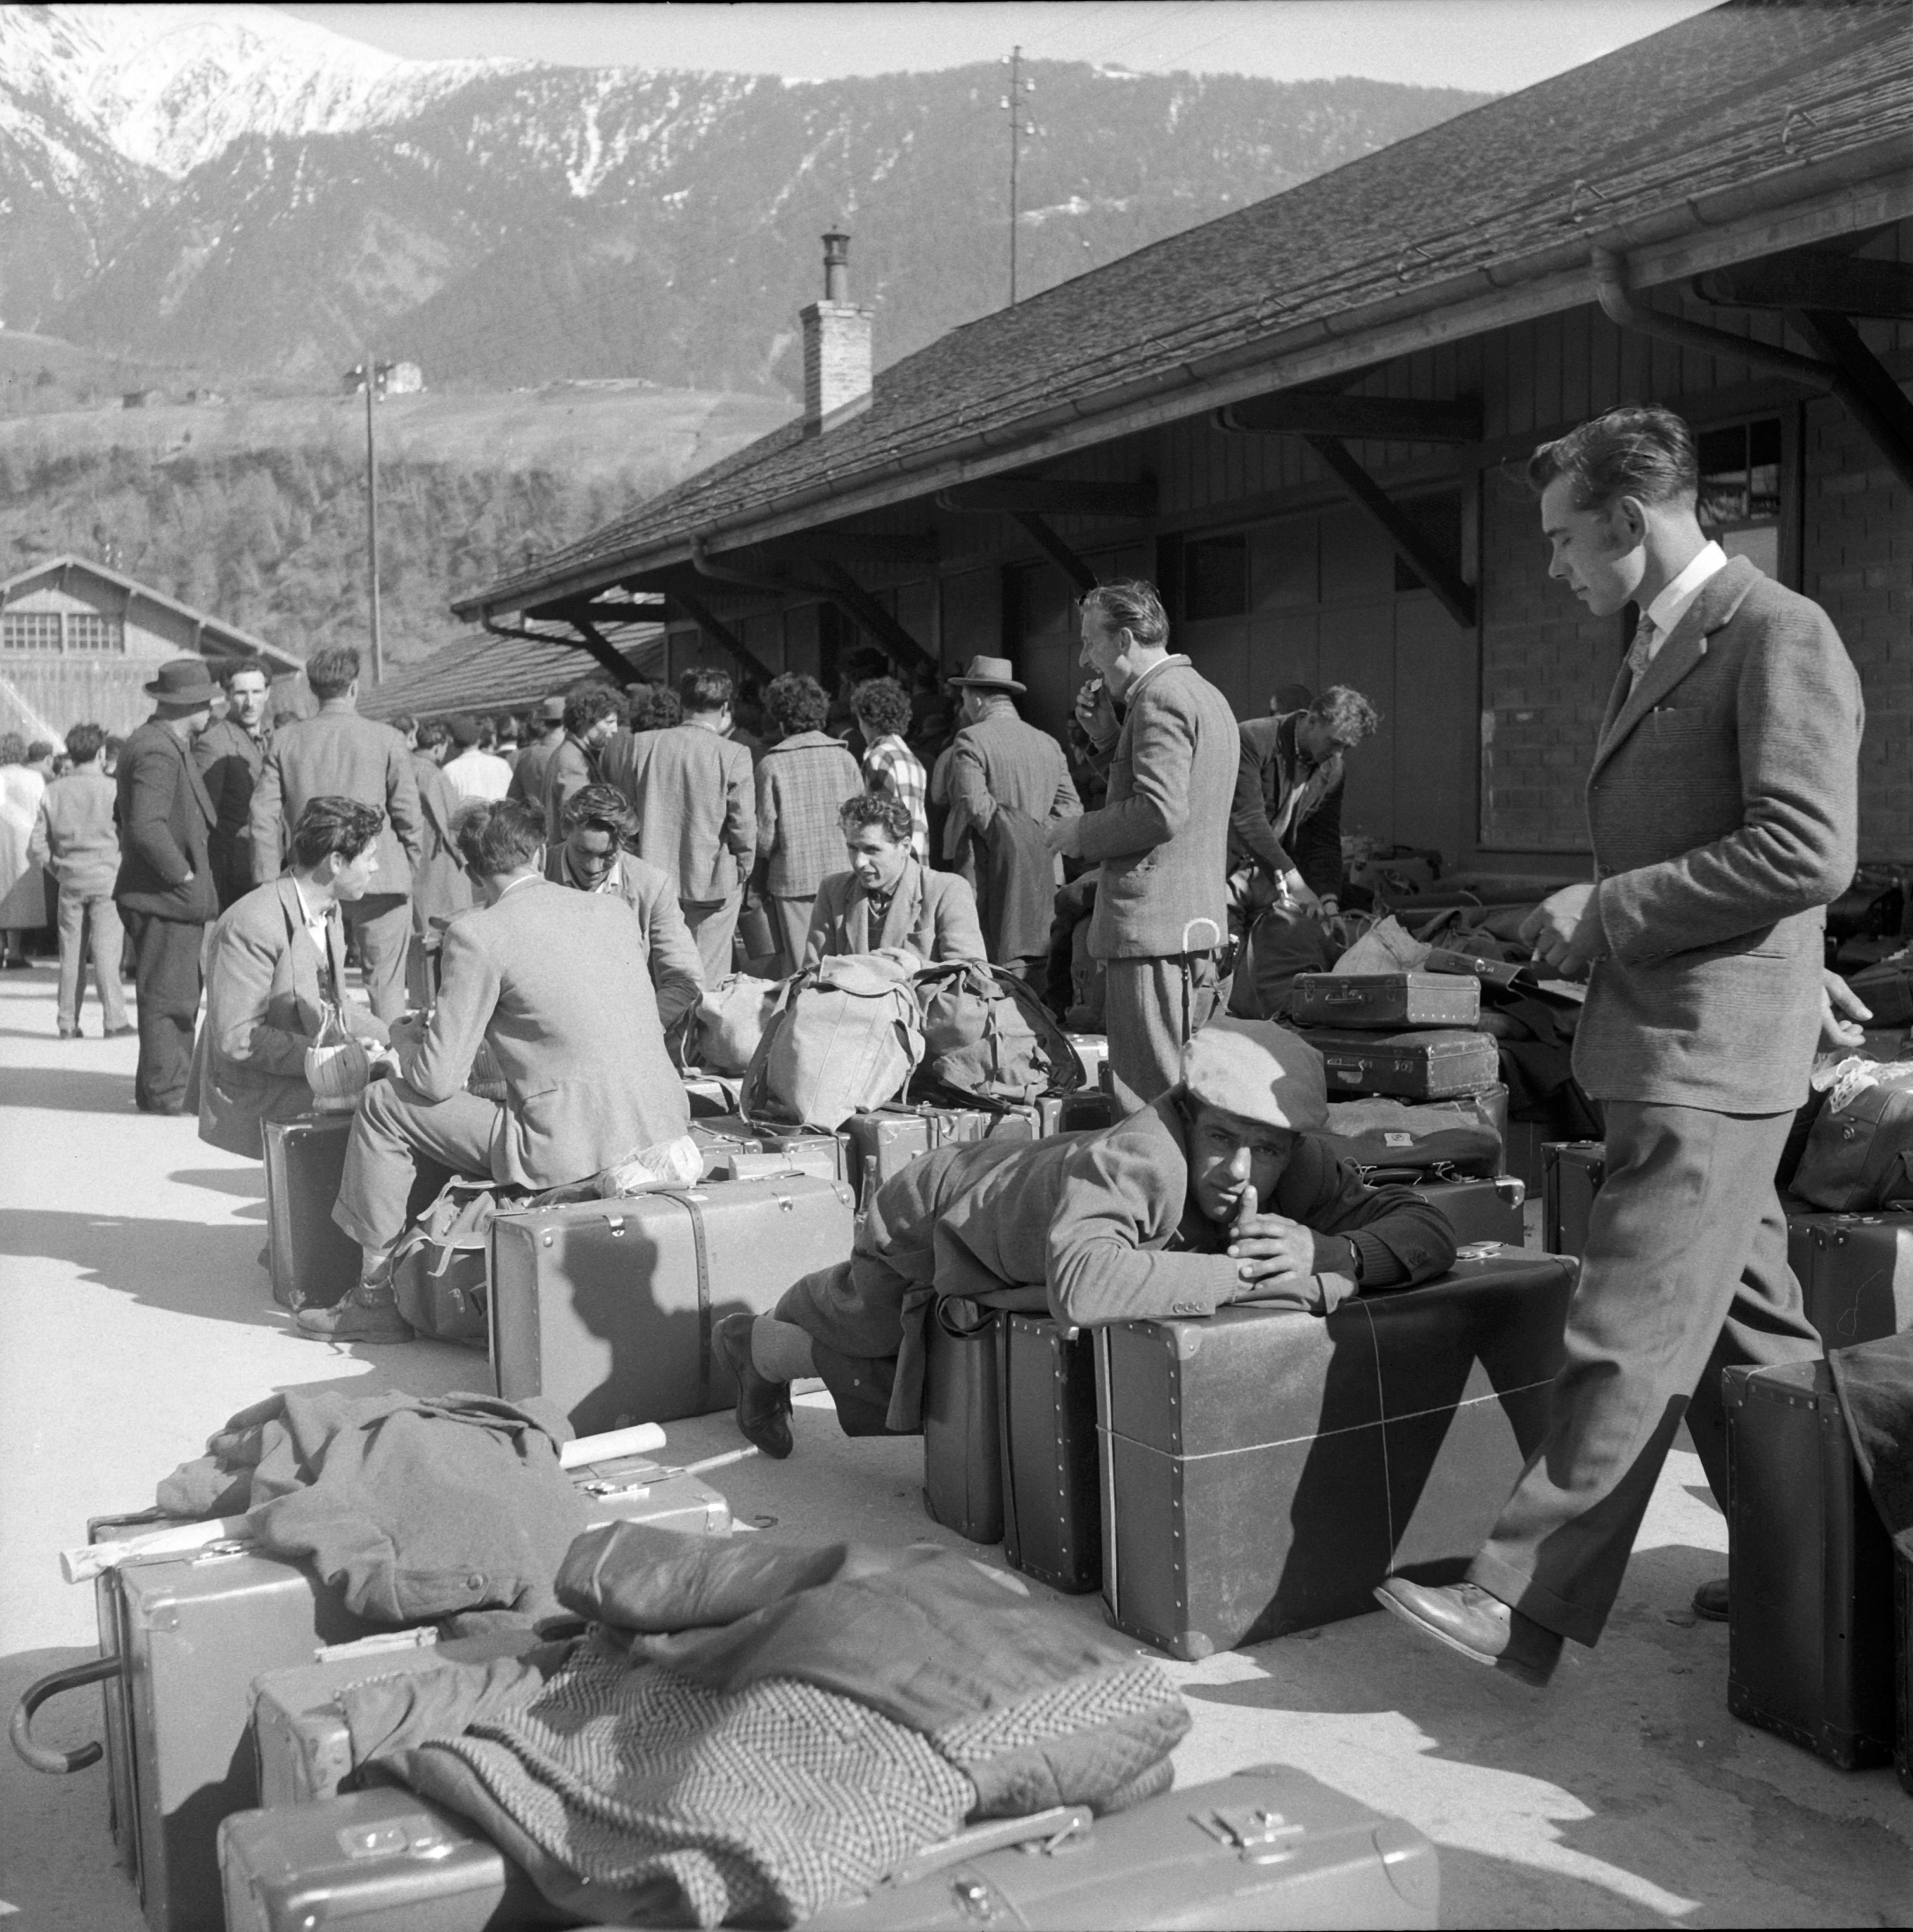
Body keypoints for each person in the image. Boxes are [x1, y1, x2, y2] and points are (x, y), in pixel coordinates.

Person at [1375, 406, 1865, 1689]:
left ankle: (1521, 1603)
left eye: (1559, 541)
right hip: (1692, 1040)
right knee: (1751, 1341)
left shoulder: (1775, 632)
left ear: (1631, 522)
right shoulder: (1666, 640)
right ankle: (1823, 1567)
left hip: (1706, 1060)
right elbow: (1764, 855)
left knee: (1630, 1326)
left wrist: (1611, 909)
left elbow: (1809, 845)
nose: (1551, 568)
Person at [719, 1018, 1457, 1456]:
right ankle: (752, 1344)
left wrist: (1338, 1254)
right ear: (1188, 1115)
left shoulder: (1302, 1164)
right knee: (880, 1345)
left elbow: (1425, 1226)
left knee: (958, 1374)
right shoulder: (1139, 1156)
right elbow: (1086, 1286)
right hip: (947, 1207)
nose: (1239, 1171)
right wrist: (1266, 1276)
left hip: (1034, 1212)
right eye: (1222, 1138)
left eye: (1264, 1149)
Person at [305, 799, 692, 1343]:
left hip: (569, 1144)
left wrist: (405, 1037)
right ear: (538, 851)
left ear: (470, 870)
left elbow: (438, 1080)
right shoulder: (611, 911)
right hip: (659, 1124)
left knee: (384, 1104)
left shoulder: (477, 934)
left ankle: (374, 1299)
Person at [1049, 581, 1237, 1108]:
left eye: (1090, 642)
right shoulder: (1200, 693)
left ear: (1125, 639)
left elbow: (1159, 811)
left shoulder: (1159, 699)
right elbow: (1176, 795)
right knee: (1184, 1091)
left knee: (1147, 1095)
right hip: (1189, 926)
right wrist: (1108, 739)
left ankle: (1154, 1189)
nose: (1086, 659)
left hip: (1154, 932)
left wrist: (1078, 832)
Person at [196, 797, 391, 1159]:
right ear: (336, 862)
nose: (376, 867)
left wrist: (398, 1036)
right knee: (390, 1109)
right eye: (370, 857)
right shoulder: (252, 924)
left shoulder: (328, 910)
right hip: (257, 1088)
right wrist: (337, 1058)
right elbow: (238, 1039)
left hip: (301, 1069)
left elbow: (334, 1004)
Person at [249, 645, 423, 1025]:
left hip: (313, 879)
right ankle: (391, 1068)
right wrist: (407, 866)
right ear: (354, 688)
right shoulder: (388, 738)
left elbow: (262, 817)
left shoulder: (285, 740)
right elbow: (409, 815)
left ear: (314, 690)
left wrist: (267, 882)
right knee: (386, 988)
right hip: (381, 875)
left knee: (312, 986)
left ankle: (324, 1069)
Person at [114, 658, 221, 1112]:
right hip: (163, 896)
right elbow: (146, 828)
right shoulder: (158, 749)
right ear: (192, 705)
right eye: (208, 701)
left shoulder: (158, 742)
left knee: (169, 992)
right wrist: (184, 877)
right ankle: (167, 1092)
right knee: (170, 998)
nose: (213, 709)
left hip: (160, 894)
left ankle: (161, 1087)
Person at [944, 654, 1082, 984]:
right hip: (1046, 870)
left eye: (964, 698)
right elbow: (1071, 808)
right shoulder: (1048, 743)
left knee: (988, 971)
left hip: (989, 872)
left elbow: (976, 806)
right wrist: (1037, 838)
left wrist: (1014, 841)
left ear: (977, 698)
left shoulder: (971, 739)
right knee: (1038, 967)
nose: (963, 706)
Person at [617, 668, 757, 982]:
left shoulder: (642, 745)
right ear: (724, 708)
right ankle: (699, 1030)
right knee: (707, 976)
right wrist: (743, 867)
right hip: (711, 879)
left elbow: (625, 814)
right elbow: (743, 825)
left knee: (661, 973)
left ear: (683, 704)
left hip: (652, 874)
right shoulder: (734, 753)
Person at [547, 784, 704, 1031]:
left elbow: (685, 980)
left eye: (608, 855)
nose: (594, 867)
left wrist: (640, 1029)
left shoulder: (651, 885)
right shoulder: (538, 873)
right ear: (566, 830)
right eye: (583, 851)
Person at [1229, 685, 1380, 911]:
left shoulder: (1334, 769)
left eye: (1346, 747)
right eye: (1334, 742)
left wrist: (1329, 901)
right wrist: (1298, 886)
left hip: (1273, 877)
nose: (1338, 754)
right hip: (1228, 869)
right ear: (1312, 721)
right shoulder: (1254, 739)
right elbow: (1249, 821)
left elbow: (1323, 840)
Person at [754, 672, 863, 975]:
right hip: (843, 874)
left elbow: (764, 840)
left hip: (792, 881)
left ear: (780, 719)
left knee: (803, 968)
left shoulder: (771, 765)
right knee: (845, 962)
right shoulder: (845, 759)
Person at [29, 723, 131, 1039]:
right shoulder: (115, 790)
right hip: (108, 879)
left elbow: (36, 847)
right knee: (106, 953)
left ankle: (67, 1021)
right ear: (102, 753)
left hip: (70, 880)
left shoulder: (53, 791)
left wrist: (58, 870)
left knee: (70, 953)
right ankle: (114, 1019)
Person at [804, 793, 986, 969]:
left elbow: (974, 972)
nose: (859, 862)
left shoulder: (947, 890)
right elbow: (814, 972)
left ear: (905, 846)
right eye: (852, 848)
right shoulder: (833, 890)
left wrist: (919, 968)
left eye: (872, 850)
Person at [193, 660, 275, 911]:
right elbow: (200, 817)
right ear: (226, 694)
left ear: (268, 693)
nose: (250, 703)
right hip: (234, 875)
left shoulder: (273, 741)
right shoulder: (214, 743)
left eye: (257, 692)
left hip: (271, 865)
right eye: (241, 693)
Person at [405, 719, 475, 1007]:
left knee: (420, 926)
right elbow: (452, 820)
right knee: (446, 925)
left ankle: (422, 989)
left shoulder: (403, 765)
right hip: (440, 860)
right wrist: (466, 855)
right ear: (438, 746)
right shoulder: (432, 774)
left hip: (414, 858)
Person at [850, 676, 928, 864]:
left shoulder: (878, 759)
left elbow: (876, 824)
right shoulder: (912, 759)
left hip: (891, 865)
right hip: (917, 859)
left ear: (868, 719)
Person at [543, 686, 619, 844]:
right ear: (586, 721)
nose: (615, 729)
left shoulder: (575, 753)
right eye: (609, 722)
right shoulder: (572, 760)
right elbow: (582, 820)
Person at [0, 731, 47, 969]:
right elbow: (43, 808)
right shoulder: (33, 777)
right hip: (23, 839)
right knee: (17, 892)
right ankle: (15, 951)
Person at [505, 695, 567, 821]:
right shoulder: (573, 754)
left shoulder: (527, 756)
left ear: (544, 723)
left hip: (538, 829)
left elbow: (513, 799)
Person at [440, 714, 513, 803]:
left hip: (471, 816)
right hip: (501, 815)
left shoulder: (449, 771)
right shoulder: (501, 764)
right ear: (479, 740)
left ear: (454, 742)